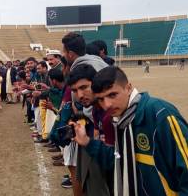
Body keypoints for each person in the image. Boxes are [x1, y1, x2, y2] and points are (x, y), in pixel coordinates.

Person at [72, 66, 188, 195]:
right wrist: (87, 142)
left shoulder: (160, 114)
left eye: (112, 95)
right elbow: (118, 160)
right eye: (101, 99)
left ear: (128, 88)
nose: (107, 105)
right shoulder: (121, 120)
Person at [68, 65, 113, 196]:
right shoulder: (94, 109)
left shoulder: (112, 111)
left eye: (84, 87)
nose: (80, 95)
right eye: (75, 91)